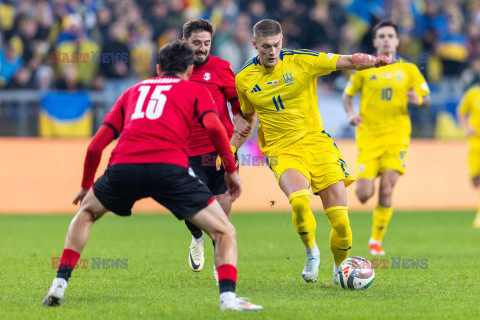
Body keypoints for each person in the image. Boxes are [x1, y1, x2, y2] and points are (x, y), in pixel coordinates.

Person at [42, 41, 262, 311]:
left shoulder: (133, 91)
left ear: (158, 68)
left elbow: (95, 146)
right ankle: (228, 298)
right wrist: (230, 170)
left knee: (86, 214)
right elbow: (216, 130)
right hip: (169, 168)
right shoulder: (195, 89)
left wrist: (86, 185)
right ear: (190, 68)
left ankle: (59, 284)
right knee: (225, 231)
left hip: (125, 166)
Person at [233, 19, 394, 284]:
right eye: (265, 47)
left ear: (282, 41)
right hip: (281, 149)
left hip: (317, 144)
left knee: (341, 222)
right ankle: (311, 252)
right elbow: (248, 119)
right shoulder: (243, 79)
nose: (272, 51)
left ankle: (340, 267)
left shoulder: (301, 60)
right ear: (255, 45)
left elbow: (347, 61)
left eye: (276, 45)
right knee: (299, 200)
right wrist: (232, 149)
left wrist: (376, 61)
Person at [342, 20, 431, 255]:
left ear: (397, 41)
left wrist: (419, 100)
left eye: (390, 35)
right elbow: (346, 95)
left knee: (387, 190)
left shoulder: (409, 70)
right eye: (381, 36)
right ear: (375, 41)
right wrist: (351, 113)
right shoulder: (364, 68)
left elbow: (427, 98)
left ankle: (375, 241)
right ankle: (376, 172)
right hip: (368, 138)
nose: (386, 39)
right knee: (363, 195)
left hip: (396, 137)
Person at [181, 19, 249, 279]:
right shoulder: (176, 70)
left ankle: (220, 266)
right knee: (193, 203)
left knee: (221, 215)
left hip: (221, 150)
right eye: (196, 43)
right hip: (187, 150)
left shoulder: (221, 68)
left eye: (206, 43)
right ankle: (196, 236)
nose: (202, 48)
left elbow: (238, 108)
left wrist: (236, 139)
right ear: (185, 41)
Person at [457, 84, 480, 228]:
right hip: (475, 144)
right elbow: (461, 112)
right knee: (475, 181)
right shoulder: (473, 94)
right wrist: (466, 128)